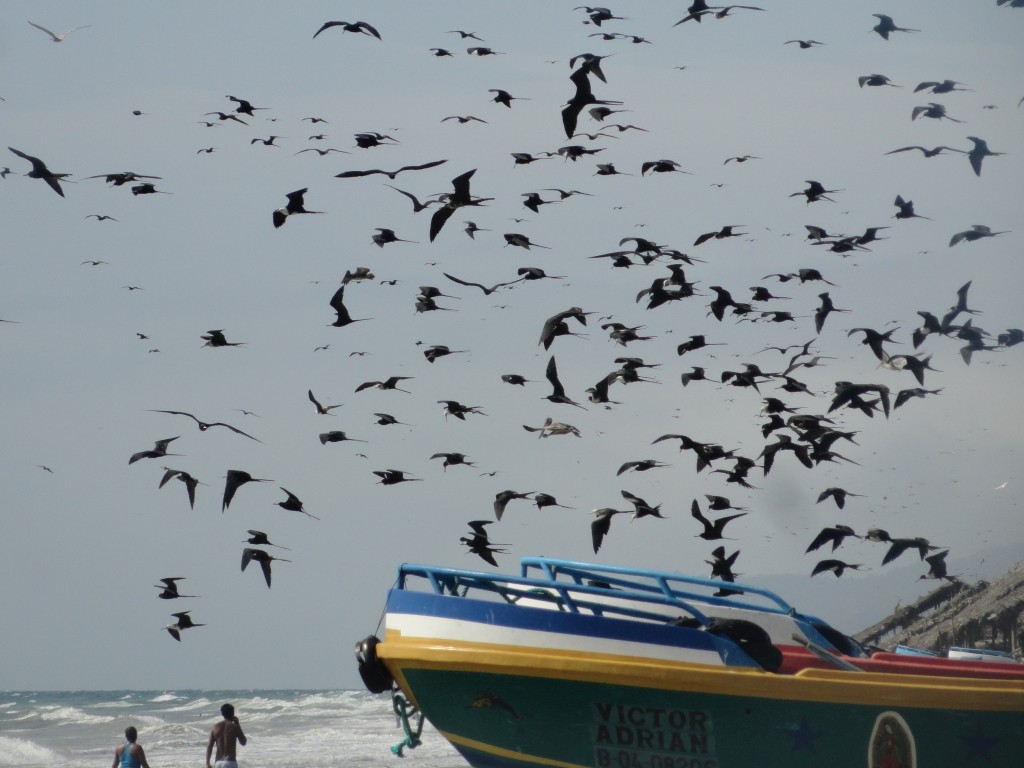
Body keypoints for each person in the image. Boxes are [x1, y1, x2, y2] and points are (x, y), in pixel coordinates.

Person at [206, 702, 247, 768]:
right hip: (230, 762)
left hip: (218, 763)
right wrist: (238, 724)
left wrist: (207, 763)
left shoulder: (215, 727)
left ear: (222, 714)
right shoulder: (234, 727)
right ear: (233, 714)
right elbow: (243, 742)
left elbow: (209, 746)